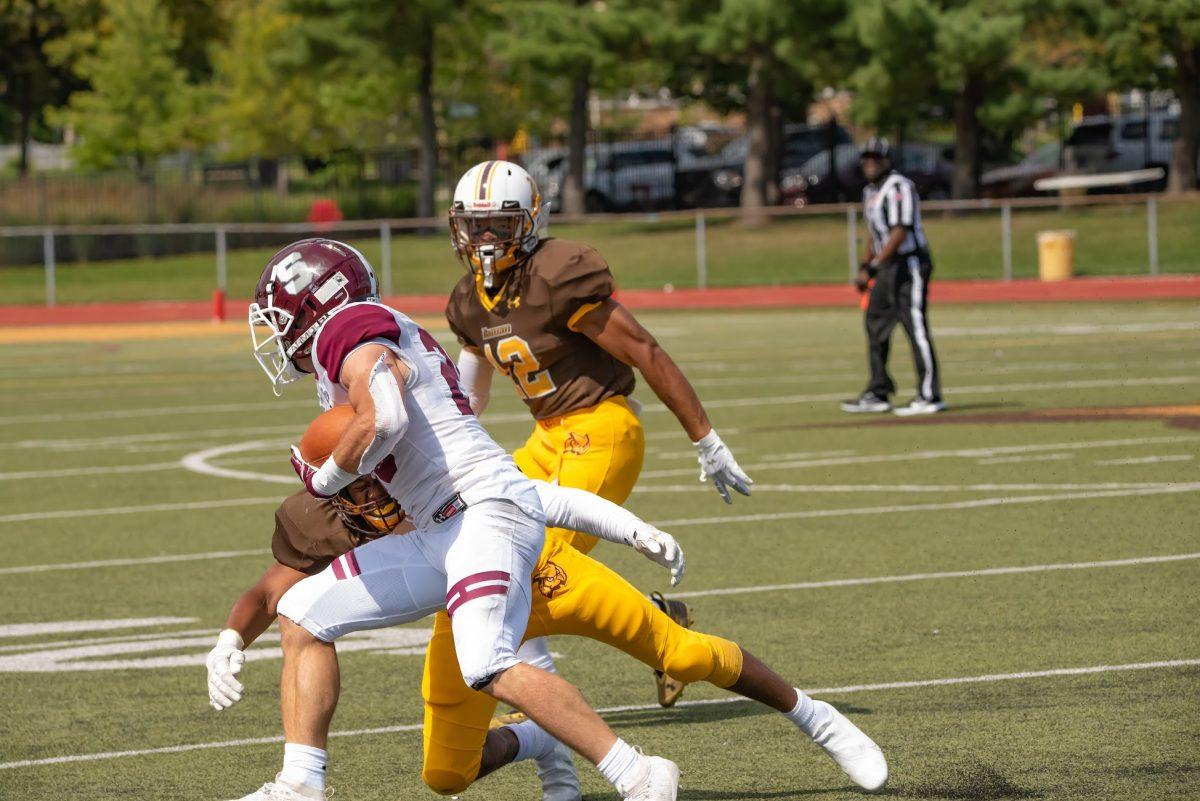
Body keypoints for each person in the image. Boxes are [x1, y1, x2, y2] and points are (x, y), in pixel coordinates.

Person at [246, 238, 680, 800]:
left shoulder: (347, 326)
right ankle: (301, 785)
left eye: (281, 317)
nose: (278, 335)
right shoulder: (363, 332)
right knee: (303, 613)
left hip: (480, 517)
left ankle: (639, 774)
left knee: (487, 664)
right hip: (448, 525)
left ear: (314, 304)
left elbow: (387, 415)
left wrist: (328, 477)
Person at [207, 475, 889, 800]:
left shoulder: (433, 458)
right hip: (465, 617)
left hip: (547, 576)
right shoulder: (324, 514)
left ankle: (815, 716)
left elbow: (538, 493)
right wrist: (232, 635)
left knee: (681, 652)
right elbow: (277, 591)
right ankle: (542, 733)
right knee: (446, 774)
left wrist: (630, 527)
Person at [443, 159, 751, 735]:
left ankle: (546, 687)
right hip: (546, 437)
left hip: (602, 427)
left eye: (498, 223)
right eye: (475, 224)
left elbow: (644, 350)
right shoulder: (468, 300)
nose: (485, 238)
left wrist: (704, 437)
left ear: (529, 222)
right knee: (483, 541)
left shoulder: (558, 273)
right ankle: (659, 626)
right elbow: (469, 397)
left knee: (525, 562)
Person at [842, 138, 946, 416]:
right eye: (866, 158)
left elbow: (899, 232)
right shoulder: (870, 192)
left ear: (887, 161)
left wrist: (875, 265)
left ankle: (930, 394)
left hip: (909, 264)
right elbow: (876, 235)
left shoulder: (899, 187)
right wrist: (866, 265)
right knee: (875, 323)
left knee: (915, 326)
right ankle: (879, 390)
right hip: (886, 265)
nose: (869, 163)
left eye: (875, 158)